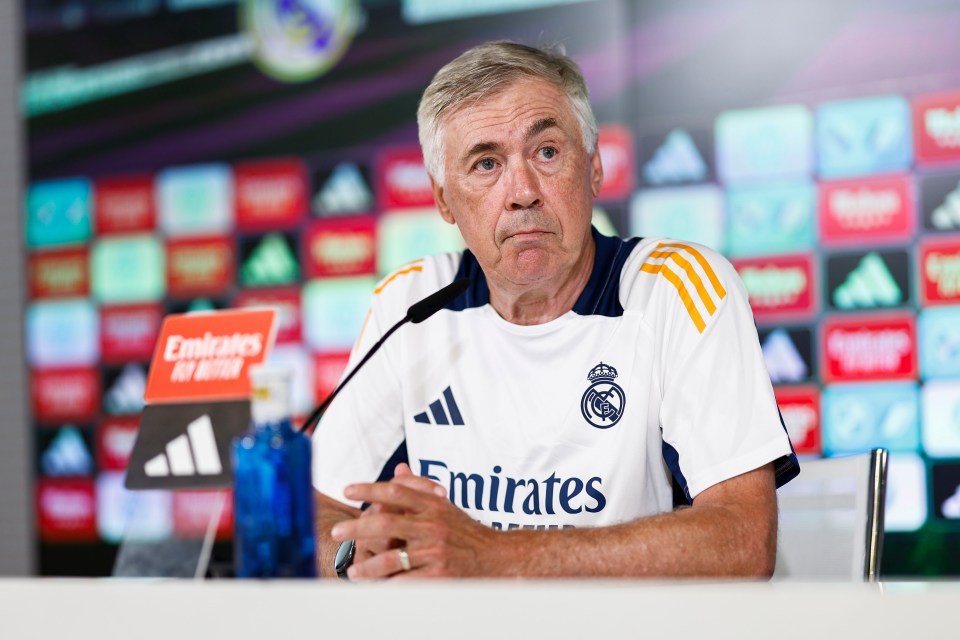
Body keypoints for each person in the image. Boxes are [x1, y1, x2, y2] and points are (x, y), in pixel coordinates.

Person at [312, 41, 799, 579]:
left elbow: (744, 540)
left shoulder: (677, 291)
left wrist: (492, 558)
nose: (522, 192)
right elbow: (321, 507)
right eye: (486, 163)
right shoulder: (410, 305)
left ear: (593, 169)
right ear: (445, 200)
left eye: (546, 152)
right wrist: (359, 560)